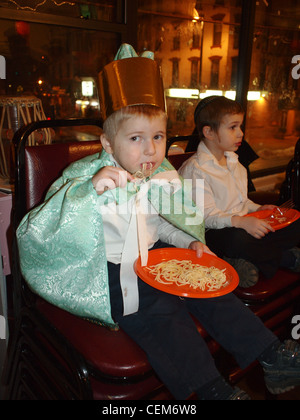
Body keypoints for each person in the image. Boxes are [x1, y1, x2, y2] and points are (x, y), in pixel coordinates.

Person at [17, 45, 300, 400]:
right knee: (162, 313)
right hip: (108, 273)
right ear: (107, 142)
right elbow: (44, 229)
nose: (150, 150)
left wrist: (188, 242)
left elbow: (162, 224)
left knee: (211, 289)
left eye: (158, 137)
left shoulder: (160, 175)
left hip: (154, 256)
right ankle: (210, 390)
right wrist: (88, 193)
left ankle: (272, 357)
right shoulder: (85, 178)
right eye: (135, 138)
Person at [179, 95, 300, 288]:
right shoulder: (196, 170)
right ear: (209, 132)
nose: (240, 133)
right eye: (233, 127)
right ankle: (284, 257)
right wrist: (241, 222)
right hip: (213, 232)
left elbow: (241, 203)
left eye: (240, 126)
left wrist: (259, 208)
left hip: (240, 224)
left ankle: (242, 260)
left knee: (294, 223)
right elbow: (206, 218)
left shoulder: (236, 163)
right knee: (237, 239)